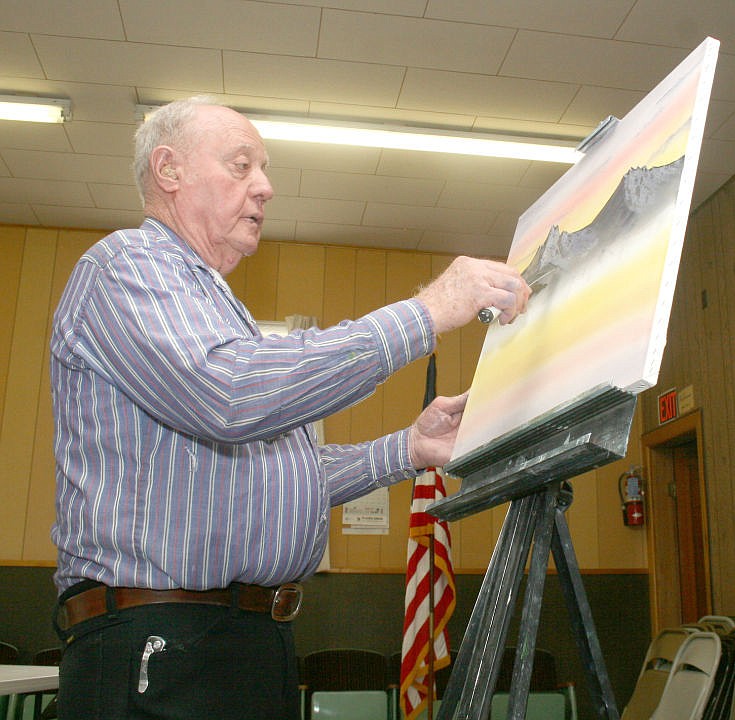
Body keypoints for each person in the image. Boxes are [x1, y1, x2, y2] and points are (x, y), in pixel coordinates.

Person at [49, 96, 531, 720]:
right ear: (169, 171)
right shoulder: (122, 268)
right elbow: (228, 395)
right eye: (241, 165)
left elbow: (274, 474)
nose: (266, 187)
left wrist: (409, 449)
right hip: (161, 644)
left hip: (245, 641)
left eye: (265, 169)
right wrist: (428, 312)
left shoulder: (218, 308)